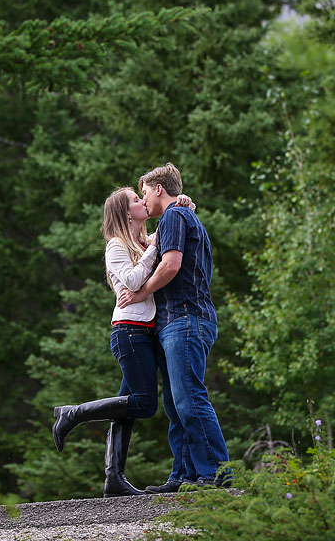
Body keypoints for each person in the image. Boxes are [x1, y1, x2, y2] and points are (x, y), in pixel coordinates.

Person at [51, 187, 194, 497]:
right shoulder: (116, 246)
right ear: (126, 213)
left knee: (125, 406)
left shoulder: (143, 241)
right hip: (129, 331)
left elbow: (172, 225)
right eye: (135, 200)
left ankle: (114, 477)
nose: (143, 201)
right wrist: (153, 249)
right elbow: (132, 280)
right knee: (144, 404)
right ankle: (73, 413)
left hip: (146, 332)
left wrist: (183, 203)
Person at [117, 162, 229, 492]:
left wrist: (141, 293)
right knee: (176, 406)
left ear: (159, 189)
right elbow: (146, 246)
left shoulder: (174, 216)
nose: (144, 200)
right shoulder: (177, 216)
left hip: (186, 319)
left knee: (189, 399)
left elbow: (170, 265)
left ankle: (215, 474)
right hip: (175, 322)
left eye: (145, 193)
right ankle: (183, 475)